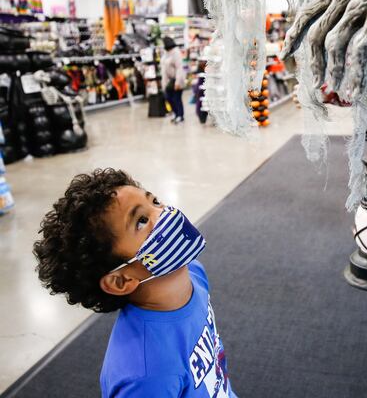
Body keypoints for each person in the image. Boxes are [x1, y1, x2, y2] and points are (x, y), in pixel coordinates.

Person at [33, 169, 236, 397]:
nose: (164, 213)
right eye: (141, 221)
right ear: (121, 280)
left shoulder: (193, 273)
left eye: (155, 201)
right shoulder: (145, 373)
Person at [161, 37, 186, 124]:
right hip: (169, 82)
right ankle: (176, 114)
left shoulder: (176, 53)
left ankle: (180, 116)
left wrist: (177, 82)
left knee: (177, 99)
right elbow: (164, 69)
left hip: (177, 80)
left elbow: (179, 68)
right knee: (169, 98)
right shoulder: (165, 54)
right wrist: (164, 83)